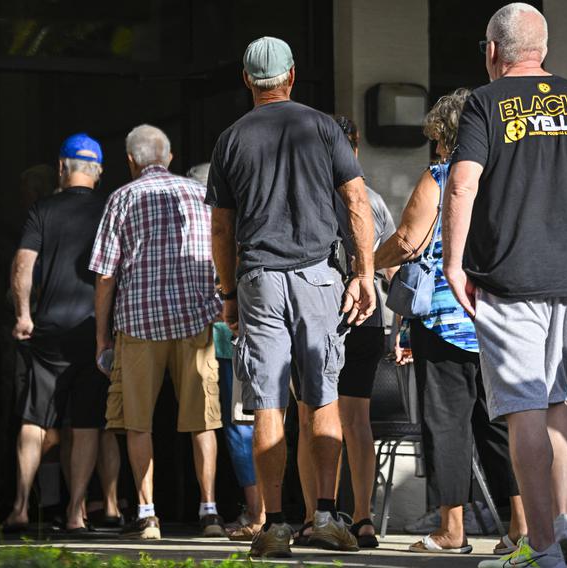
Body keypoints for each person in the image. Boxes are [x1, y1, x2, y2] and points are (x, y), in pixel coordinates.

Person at [440, 5, 567, 567]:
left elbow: (462, 184)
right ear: (542, 49)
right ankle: (564, 528)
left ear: (494, 51)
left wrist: (454, 264)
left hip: (511, 276)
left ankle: (542, 546)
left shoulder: (486, 101)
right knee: (556, 399)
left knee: (523, 407)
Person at [207, 36, 376, 558]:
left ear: (246, 80)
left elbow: (220, 228)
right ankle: (324, 515)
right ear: (292, 75)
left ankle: (275, 524)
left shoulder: (231, 139)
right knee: (320, 396)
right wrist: (364, 273)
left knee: (268, 404)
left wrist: (229, 294)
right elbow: (355, 202)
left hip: (259, 278)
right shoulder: (323, 127)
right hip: (318, 278)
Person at [375, 90, 527, 556]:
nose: (435, 147)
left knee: (448, 425)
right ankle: (522, 529)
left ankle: (451, 531)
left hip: (445, 320)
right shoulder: (505, 178)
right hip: (498, 319)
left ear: (445, 136)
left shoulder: (441, 176)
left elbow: (406, 240)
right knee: (499, 426)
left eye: (437, 138)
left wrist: (367, 264)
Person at [90, 125, 224, 540]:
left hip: (139, 324)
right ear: (169, 156)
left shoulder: (121, 198)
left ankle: (147, 514)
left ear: (131, 161)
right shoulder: (200, 195)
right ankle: (210, 511)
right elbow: (223, 251)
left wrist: (101, 337)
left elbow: (106, 277)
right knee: (203, 420)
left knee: (137, 422)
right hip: (195, 323)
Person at [4, 134, 121, 533]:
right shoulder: (110, 210)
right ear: (99, 172)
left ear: (61, 168)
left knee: (35, 419)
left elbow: (23, 265)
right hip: (95, 330)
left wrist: (23, 315)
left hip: (48, 330)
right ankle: (75, 512)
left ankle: (20, 507)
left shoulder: (43, 209)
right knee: (87, 422)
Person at [292, 116, 395, 550]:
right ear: (353, 150)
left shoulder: (303, 200)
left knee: (306, 420)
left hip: (316, 318)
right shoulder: (369, 199)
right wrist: (399, 328)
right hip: (366, 316)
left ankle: (314, 516)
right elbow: (392, 268)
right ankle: (363, 518)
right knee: (356, 422)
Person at [188, 162, 265, 541]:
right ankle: (261, 508)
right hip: (244, 332)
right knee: (251, 422)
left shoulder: (209, 226)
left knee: (235, 426)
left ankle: (257, 511)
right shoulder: (247, 217)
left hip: (222, 336)